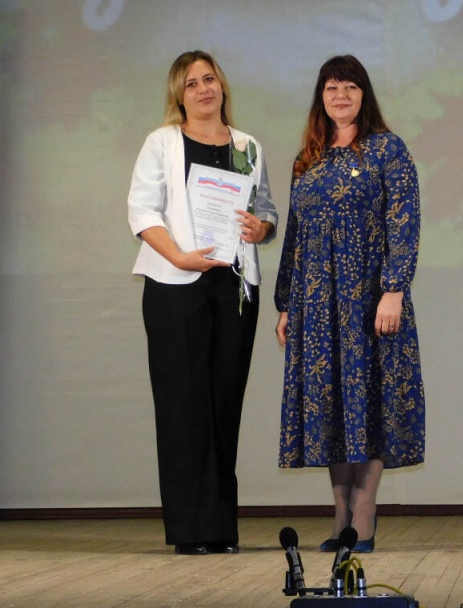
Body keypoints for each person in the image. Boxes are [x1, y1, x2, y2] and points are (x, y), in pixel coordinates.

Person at [128, 50, 278, 555]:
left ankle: (220, 528)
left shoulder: (247, 146)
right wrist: (179, 256)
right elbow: (141, 210)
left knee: (223, 403)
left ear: (222, 86)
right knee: (182, 406)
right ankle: (190, 531)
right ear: (179, 95)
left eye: (209, 79)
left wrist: (261, 228)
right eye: (191, 83)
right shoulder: (162, 142)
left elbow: (266, 211)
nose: (203, 89)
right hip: (176, 284)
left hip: (234, 287)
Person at [274, 54, 425, 554]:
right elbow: (294, 236)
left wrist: (394, 289)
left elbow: (404, 221)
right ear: (321, 96)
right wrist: (285, 304)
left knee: (371, 401)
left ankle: (365, 513)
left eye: (350, 87)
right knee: (332, 407)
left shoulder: (387, 149)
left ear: (365, 94)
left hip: (369, 300)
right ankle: (341, 514)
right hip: (316, 305)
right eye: (332, 87)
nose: (340, 96)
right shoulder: (308, 159)